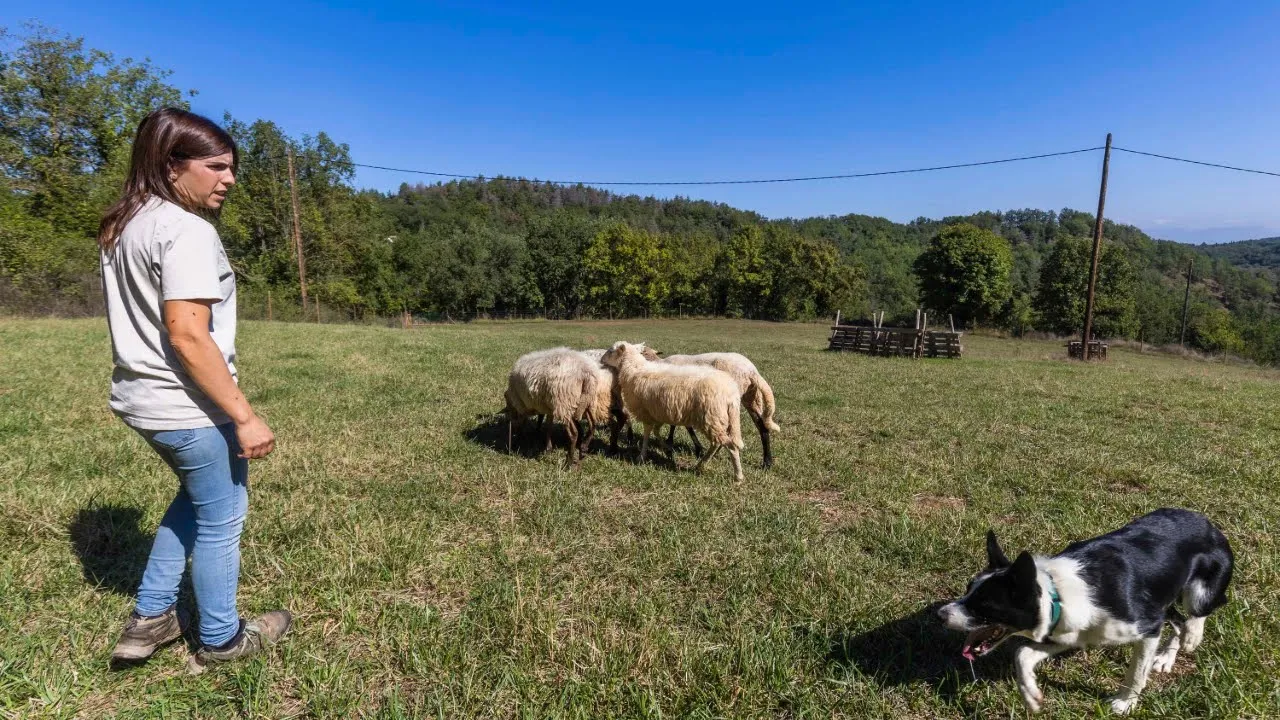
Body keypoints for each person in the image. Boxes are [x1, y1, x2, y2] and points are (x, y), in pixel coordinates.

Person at [97, 107, 290, 673]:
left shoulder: (124, 224)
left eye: (231, 167)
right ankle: (222, 638)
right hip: (187, 405)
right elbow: (186, 333)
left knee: (197, 503)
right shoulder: (186, 230)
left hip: (142, 400)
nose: (229, 179)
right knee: (224, 517)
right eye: (216, 166)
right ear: (171, 164)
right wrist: (244, 415)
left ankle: (150, 619)